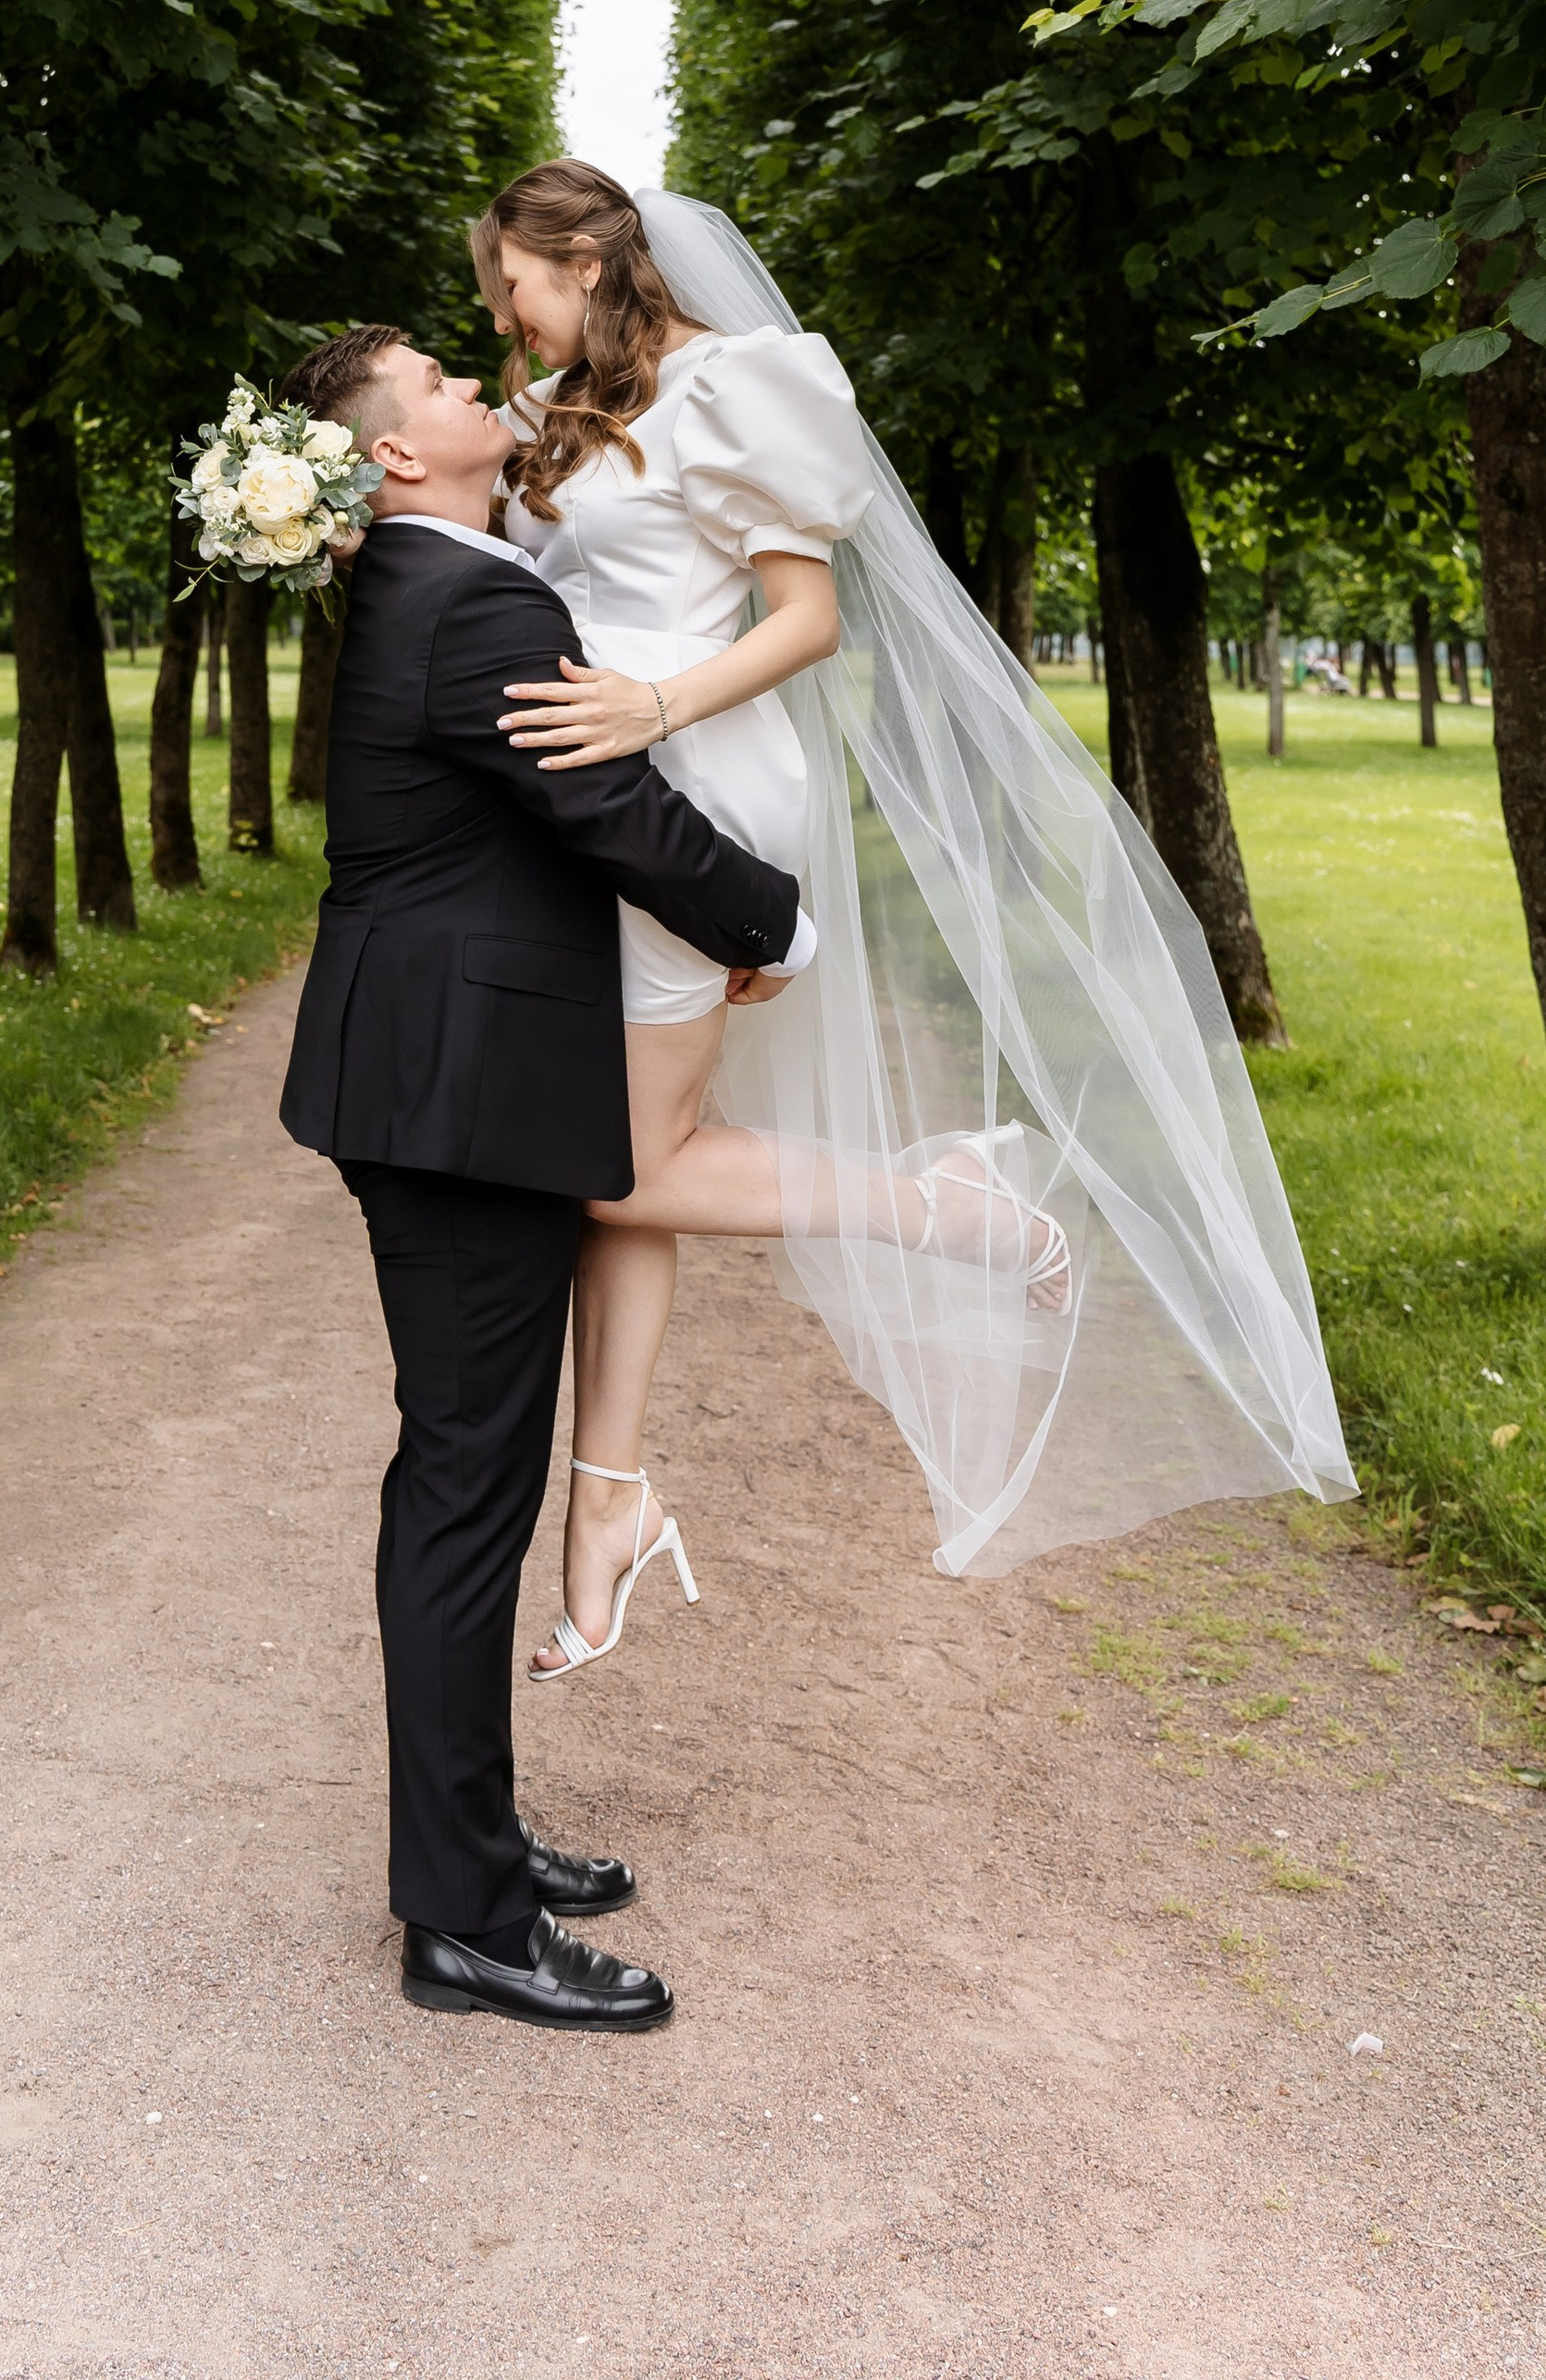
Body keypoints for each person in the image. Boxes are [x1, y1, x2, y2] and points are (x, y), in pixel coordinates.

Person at [466, 164, 1354, 1671]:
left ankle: (962, 1215)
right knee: (622, 1172)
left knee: (618, 1168)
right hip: (588, 803)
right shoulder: (569, 410)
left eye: (516, 288)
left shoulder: (738, 387)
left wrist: (653, 704)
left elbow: (802, 616)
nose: (504, 317)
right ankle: (606, 1503)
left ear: (594, 258)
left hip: (691, 791)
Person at [277, 321, 803, 2031]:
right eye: (435, 382)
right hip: (456, 1098)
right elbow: (606, 803)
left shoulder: (437, 577)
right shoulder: (476, 598)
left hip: (440, 1080)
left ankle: (473, 1839)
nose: (470, 386)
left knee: (460, 1481)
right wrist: (768, 915)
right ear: (395, 460)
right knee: (461, 1492)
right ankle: (468, 1924)